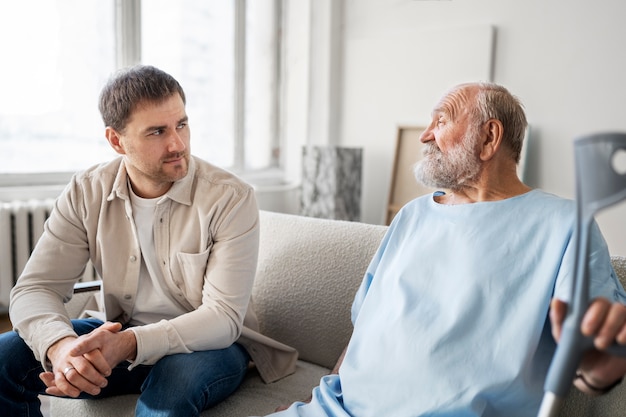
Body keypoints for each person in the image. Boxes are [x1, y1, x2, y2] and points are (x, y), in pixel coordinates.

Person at [263, 82, 626, 417]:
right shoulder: (412, 215)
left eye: (441, 120)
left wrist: (599, 362)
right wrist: (315, 402)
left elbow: (597, 344)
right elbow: (366, 329)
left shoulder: (565, 225)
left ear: (489, 137)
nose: (425, 135)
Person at [0, 65, 297, 417]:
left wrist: (127, 344)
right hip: (120, 331)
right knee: (6, 356)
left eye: (181, 125)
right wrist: (61, 348)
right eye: (157, 131)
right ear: (116, 140)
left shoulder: (230, 198)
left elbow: (223, 318)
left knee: (171, 391)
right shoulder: (86, 191)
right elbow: (34, 289)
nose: (178, 144)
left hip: (208, 345)